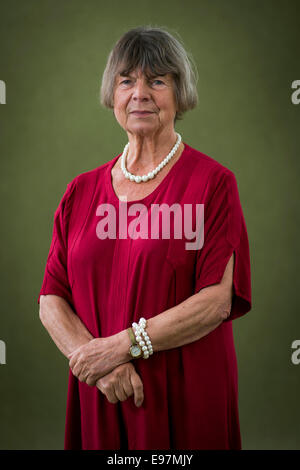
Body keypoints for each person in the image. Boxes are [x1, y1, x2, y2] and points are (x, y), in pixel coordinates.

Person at [37, 25, 252, 450]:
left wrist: (120, 347)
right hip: (103, 389)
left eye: (157, 81)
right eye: (127, 80)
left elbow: (216, 301)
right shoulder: (79, 192)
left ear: (179, 92)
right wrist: (100, 365)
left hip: (182, 394)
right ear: (112, 95)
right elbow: (50, 300)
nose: (140, 93)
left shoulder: (213, 184)